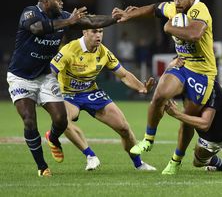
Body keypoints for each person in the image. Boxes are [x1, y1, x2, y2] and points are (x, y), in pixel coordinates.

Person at [6, 0, 118, 177]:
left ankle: (54, 138)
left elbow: (91, 21)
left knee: (61, 119)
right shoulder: (30, 13)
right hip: (21, 77)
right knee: (29, 120)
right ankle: (42, 167)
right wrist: (69, 22)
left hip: (45, 76)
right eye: (58, 0)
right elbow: (37, 29)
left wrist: (114, 19)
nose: (62, 2)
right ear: (46, 1)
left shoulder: (64, 16)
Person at [112, 0, 217, 174]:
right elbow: (153, 8)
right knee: (160, 94)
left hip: (203, 72)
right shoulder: (173, 9)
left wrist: (168, 29)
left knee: (188, 117)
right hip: (182, 65)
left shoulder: (200, 9)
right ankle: (148, 139)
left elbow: (194, 34)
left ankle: (176, 160)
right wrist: (129, 14)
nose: (176, 2)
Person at [50, 28, 156, 171]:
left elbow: (123, 75)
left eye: (100, 31)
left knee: (124, 128)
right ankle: (90, 156)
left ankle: (139, 164)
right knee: (63, 121)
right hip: (69, 94)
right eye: (94, 31)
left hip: (92, 93)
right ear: (85, 32)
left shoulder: (104, 52)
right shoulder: (69, 49)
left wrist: (141, 87)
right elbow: (50, 72)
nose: (98, 35)